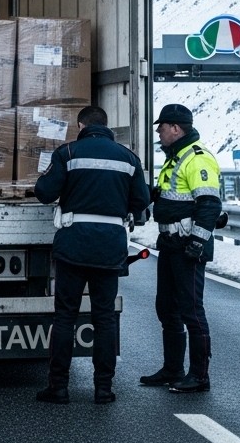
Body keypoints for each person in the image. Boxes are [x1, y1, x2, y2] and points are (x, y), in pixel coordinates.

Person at [33, 106, 150, 405]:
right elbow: (142, 201)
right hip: (110, 247)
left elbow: (44, 191)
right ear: (106, 126)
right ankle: (103, 389)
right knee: (105, 318)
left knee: (65, 317)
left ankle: (58, 387)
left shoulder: (68, 153)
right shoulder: (129, 159)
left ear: (82, 125)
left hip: (74, 244)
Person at [141, 103, 223, 393]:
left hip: (188, 245)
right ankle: (172, 369)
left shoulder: (197, 158)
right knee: (167, 308)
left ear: (176, 128)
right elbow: (172, 195)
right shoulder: (175, 158)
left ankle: (199, 376)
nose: (159, 134)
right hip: (170, 244)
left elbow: (210, 204)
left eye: (162, 128)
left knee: (191, 310)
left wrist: (197, 243)